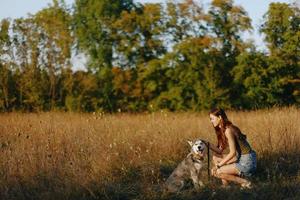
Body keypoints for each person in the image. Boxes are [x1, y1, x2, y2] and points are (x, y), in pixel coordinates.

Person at [204, 108, 257, 189]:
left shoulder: (228, 130)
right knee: (215, 158)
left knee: (216, 172)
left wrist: (218, 166)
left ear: (220, 117)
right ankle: (226, 186)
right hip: (245, 158)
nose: (211, 121)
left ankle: (245, 182)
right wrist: (207, 144)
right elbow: (219, 151)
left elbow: (232, 153)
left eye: (212, 119)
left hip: (247, 162)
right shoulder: (225, 129)